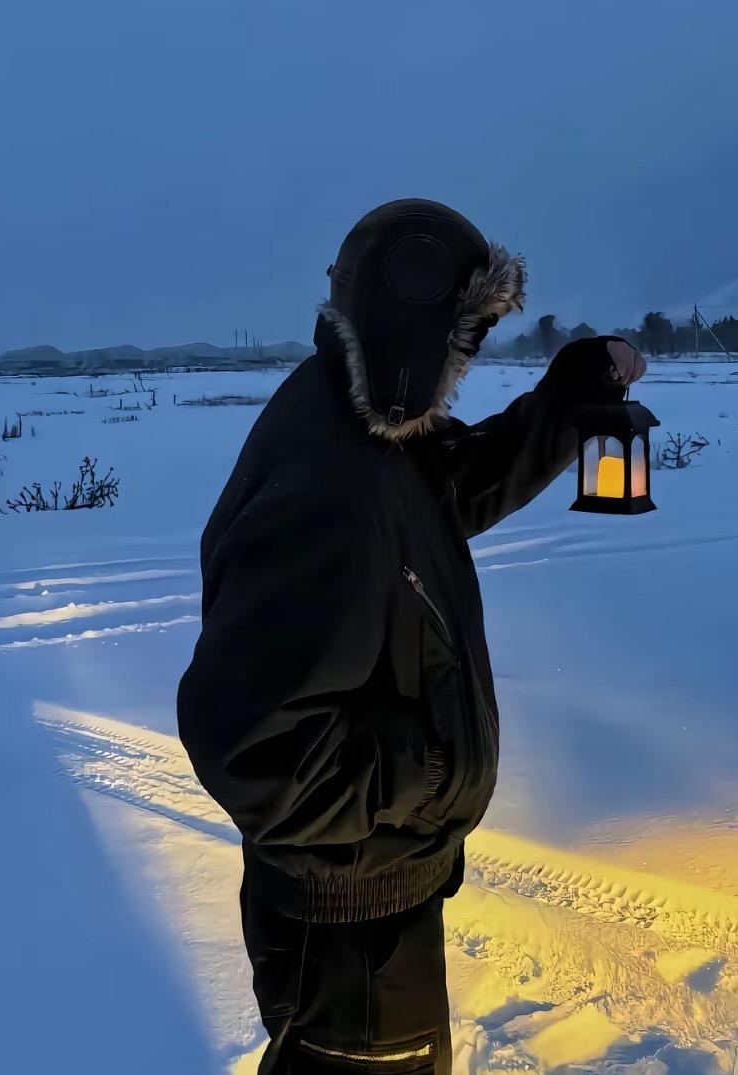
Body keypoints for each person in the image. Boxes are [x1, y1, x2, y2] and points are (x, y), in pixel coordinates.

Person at [177, 198, 646, 1073]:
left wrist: (569, 396)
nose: (466, 359)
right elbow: (253, 752)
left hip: (373, 890)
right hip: (345, 932)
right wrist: (430, 766)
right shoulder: (328, 489)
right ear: (409, 333)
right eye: (459, 335)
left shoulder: (363, 427)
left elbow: (452, 488)